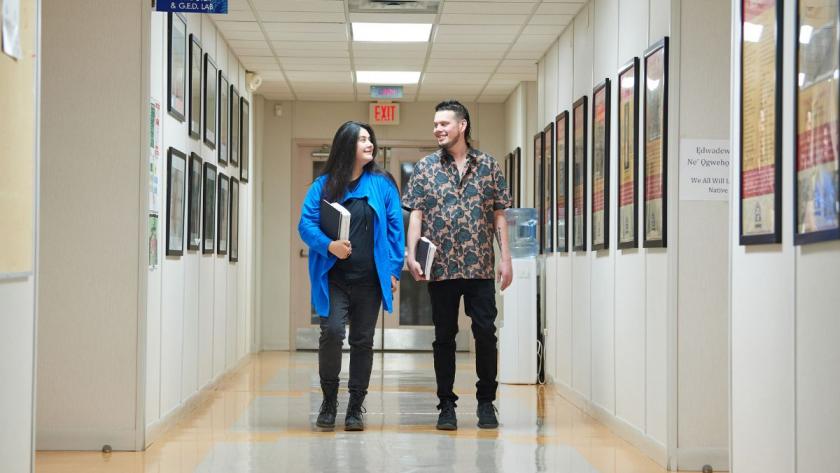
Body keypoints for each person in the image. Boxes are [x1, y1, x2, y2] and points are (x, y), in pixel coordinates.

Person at [403, 100, 513, 430]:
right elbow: (416, 215)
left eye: (443, 124)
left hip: (479, 266)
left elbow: (499, 214)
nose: (437, 129)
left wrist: (505, 258)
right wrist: (411, 255)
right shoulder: (425, 168)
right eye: (435, 124)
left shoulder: (489, 166)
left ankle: (486, 403)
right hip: (442, 269)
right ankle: (446, 405)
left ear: (462, 126)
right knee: (444, 337)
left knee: (485, 334)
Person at [298, 121, 404, 431]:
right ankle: (329, 400)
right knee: (331, 332)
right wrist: (329, 245)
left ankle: (356, 406)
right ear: (346, 146)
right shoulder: (323, 186)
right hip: (334, 276)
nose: (369, 144)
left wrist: (394, 270)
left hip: (370, 278)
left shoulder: (383, 184)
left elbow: (396, 229)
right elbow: (306, 225)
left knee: (363, 341)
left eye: (370, 139)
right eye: (362, 140)